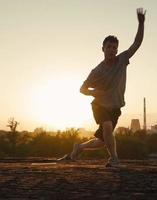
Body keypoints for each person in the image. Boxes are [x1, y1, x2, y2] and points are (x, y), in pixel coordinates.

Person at [59, 8, 146, 167]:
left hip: (115, 106)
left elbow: (137, 43)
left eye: (114, 47)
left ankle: (79, 147)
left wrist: (141, 23)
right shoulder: (97, 71)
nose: (112, 50)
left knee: (103, 141)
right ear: (103, 49)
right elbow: (82, 89)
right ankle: (114, 159)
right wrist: (94, 92)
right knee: (106, 126)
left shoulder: (122, 60)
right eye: (109, 47)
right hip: (99, 105)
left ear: (117, 50)